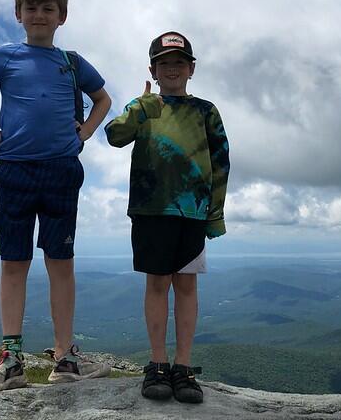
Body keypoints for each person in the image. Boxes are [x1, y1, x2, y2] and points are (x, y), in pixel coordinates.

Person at [0, 0, 112, 391]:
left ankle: (65, 358)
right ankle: (11, 360)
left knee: (61, 262)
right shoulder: (5, 57)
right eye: (32, 9)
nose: (39, 16)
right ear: (18, 14)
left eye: (48, 10)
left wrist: (85, 132)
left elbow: (103, 99)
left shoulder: (72, 62)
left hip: (61, 169)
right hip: (16, 170)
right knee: (13, 262)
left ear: (62, 17)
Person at [104, 31, 230, 404]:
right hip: (151, 209)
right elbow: (113, 136)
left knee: (186, 285)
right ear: (153, 70)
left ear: (191, 68)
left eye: (178, 63)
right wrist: (140, 108)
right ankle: (157, 364)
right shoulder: (143, 106)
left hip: (192, 211)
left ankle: (183, 366)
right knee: (157, 283)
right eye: (164, 64)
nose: (172, 70)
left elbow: (221, 162)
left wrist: (214, 213)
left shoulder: (205, 111)